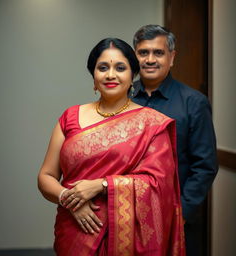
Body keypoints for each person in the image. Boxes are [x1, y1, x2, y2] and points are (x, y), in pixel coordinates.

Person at [38, 37, 185, 256]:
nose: (110, 75)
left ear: (132, 75)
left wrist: (102, 185)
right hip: (74, 231)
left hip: (129, 242)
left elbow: (158, 184)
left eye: (120, 68)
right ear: (94, 76)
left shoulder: (152, 124)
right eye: (103, 67)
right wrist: (71, 202)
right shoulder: (70, 117)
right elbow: (46, 176)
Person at [130, 24, 218, 256]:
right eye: (143, 52)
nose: (150, 60)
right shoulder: (122, 98)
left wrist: (182, 212)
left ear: (172, 58)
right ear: (134, 56)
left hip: (176, 218)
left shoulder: (194, 103)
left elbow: (205, 165)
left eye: (158, 53)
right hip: (128, 215)